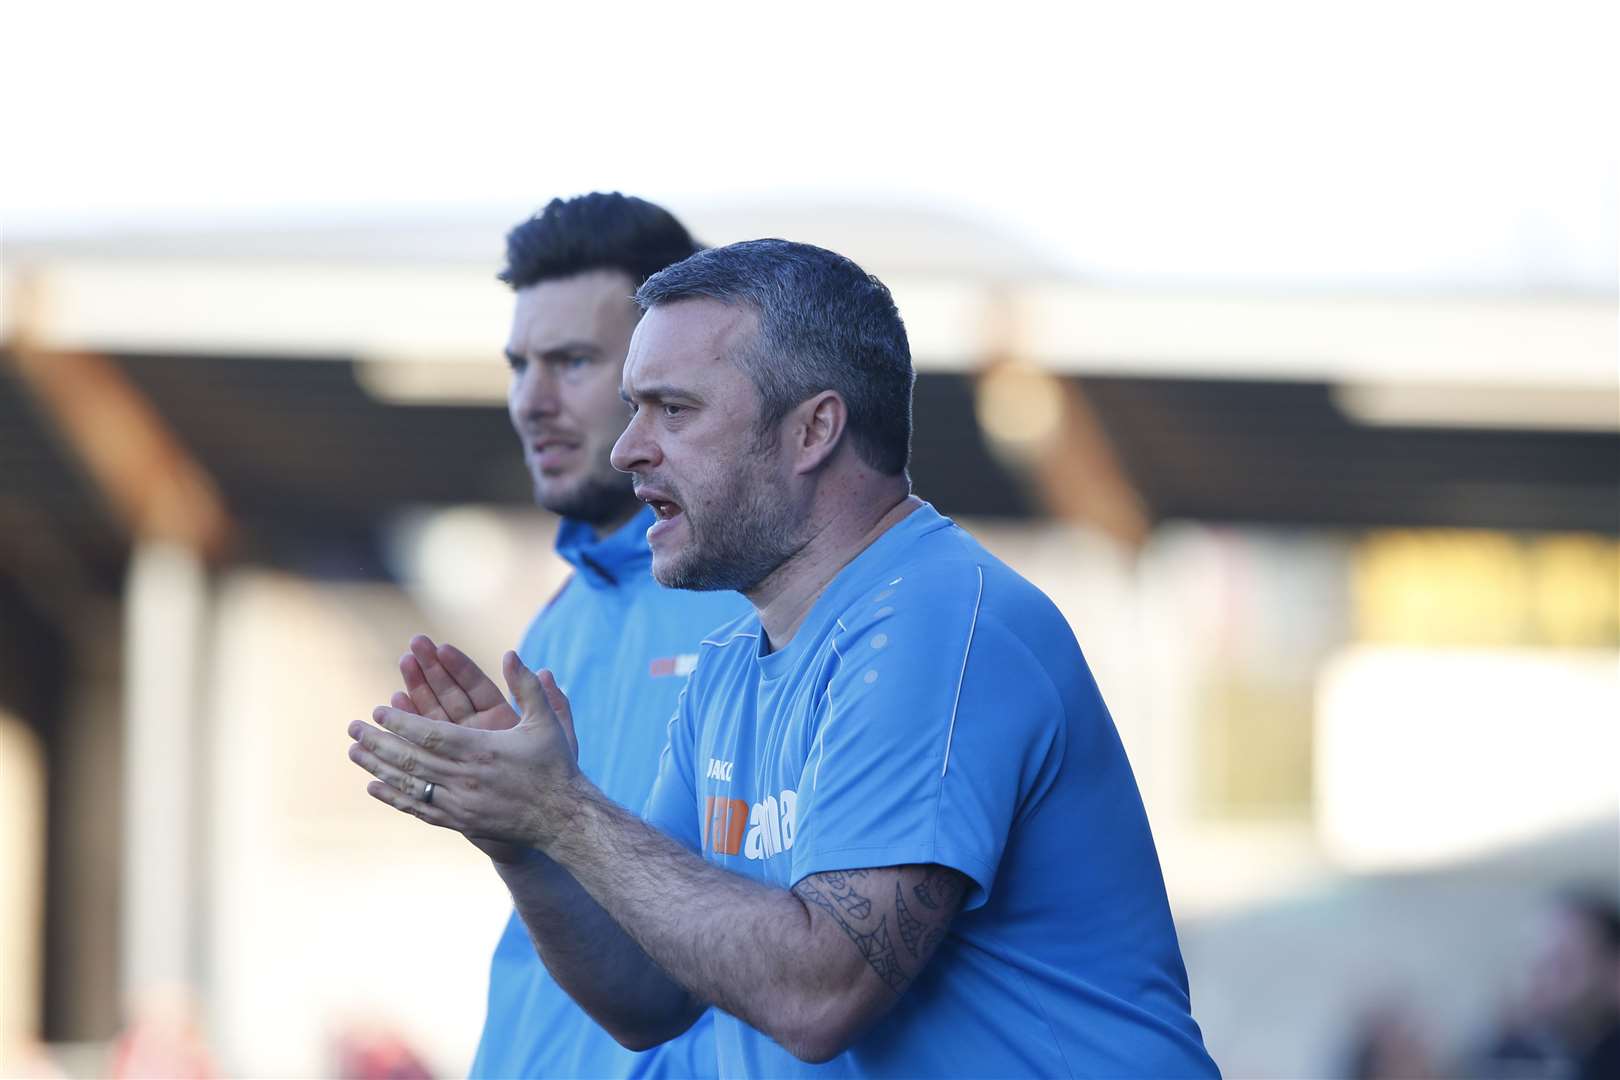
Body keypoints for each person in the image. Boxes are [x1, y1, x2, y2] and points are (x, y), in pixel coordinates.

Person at [350, 239, 1219, 1077]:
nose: (628, 449)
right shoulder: (733, 662)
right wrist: (521, 835)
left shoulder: (933, 622)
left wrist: (566, 813)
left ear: (814, 431)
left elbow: (821, 996)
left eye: (674, 409)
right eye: (633, 406)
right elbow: (647, 996)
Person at [395, 193, 747, 1079]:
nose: (531, 401)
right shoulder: (560, 620)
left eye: (574, 362)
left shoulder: (763, 602)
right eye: (519, 365)